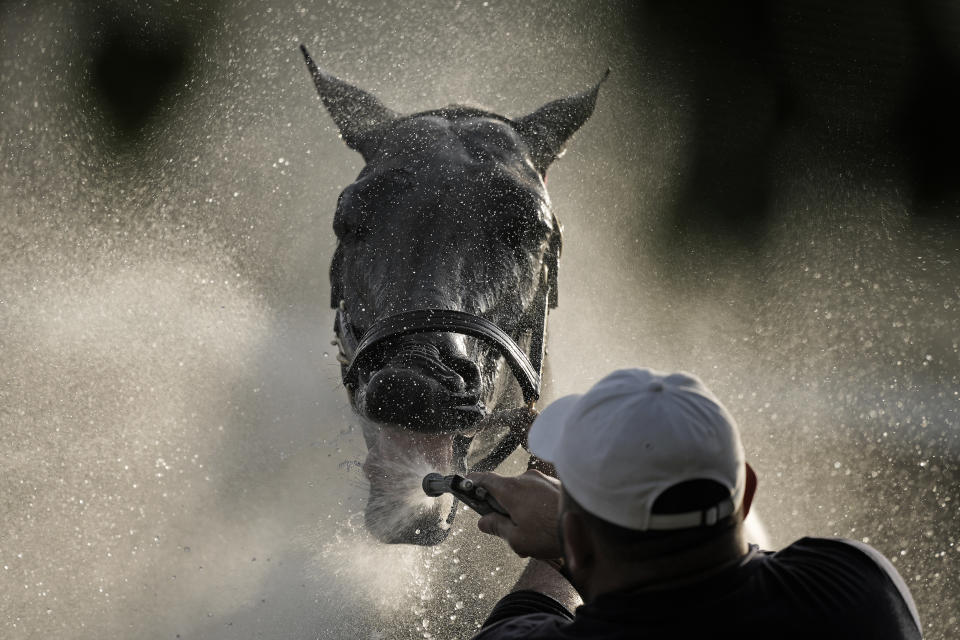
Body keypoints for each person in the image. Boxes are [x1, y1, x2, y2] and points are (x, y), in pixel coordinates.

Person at [467, 368, 922, 639]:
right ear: (745, 493)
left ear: (579, 541)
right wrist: (577, 524)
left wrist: (565, 541)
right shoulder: (859, 588)